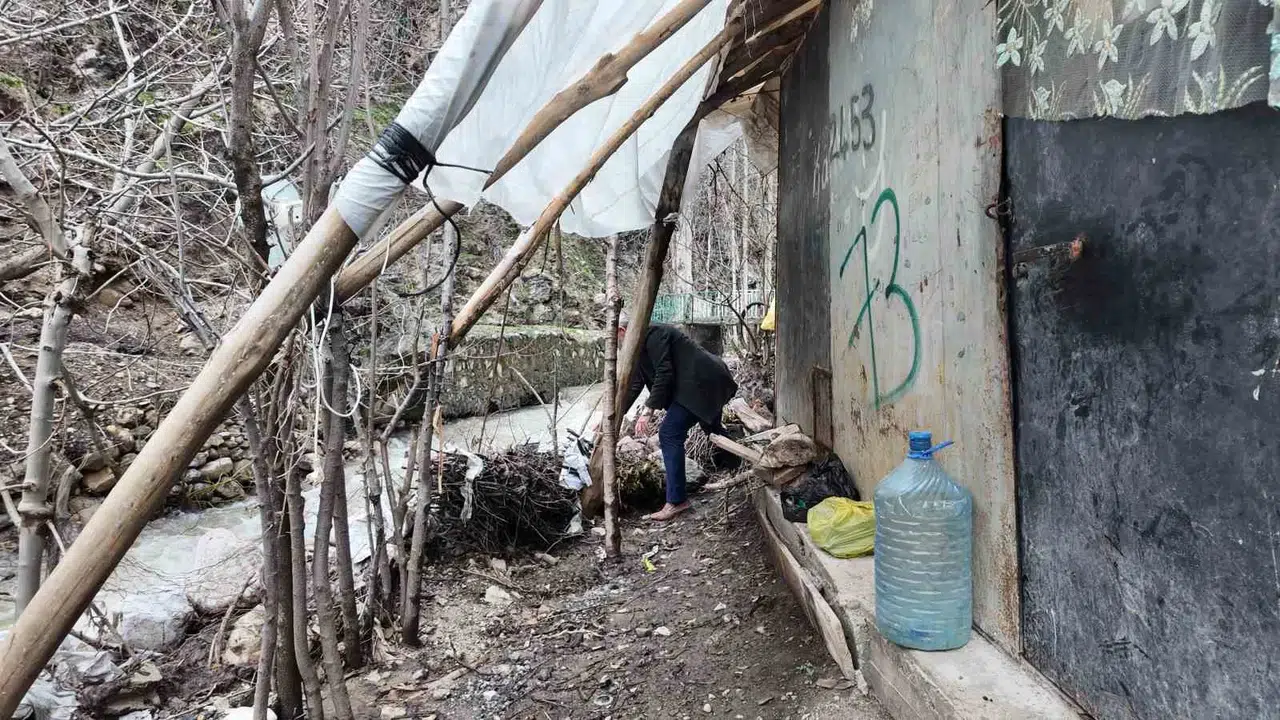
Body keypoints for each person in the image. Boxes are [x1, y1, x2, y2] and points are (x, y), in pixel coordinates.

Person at [617, 315, 738, 521]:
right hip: (702, 381)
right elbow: (636, 383)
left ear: (621, 332)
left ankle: (676, 501)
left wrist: (648, 411)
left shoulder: (654, 334)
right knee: (712, 430)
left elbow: (664, 373)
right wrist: (613, 416)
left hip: (704, 381)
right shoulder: (637, 345)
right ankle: (739, 466)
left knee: (669, 433)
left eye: (614, 339)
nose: (616, 345)